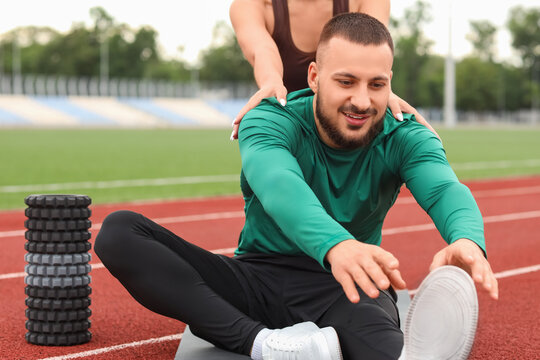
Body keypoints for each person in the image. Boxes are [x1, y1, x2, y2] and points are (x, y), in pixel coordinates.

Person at [95, 13, 498, 360]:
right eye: (346, 81)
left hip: (346, 287)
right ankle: (263, 345)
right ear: (315, 76)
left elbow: (444, 188)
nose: (361, 100)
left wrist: (466, 237)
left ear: (390, 84)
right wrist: (336, 245)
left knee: (386, 348)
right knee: (119, 233)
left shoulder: (405, 135)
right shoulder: (270, 120)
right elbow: (278, 184)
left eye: (376, 85)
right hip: (256, 278)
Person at [229, 0, 437, 140]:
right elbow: (262, 50)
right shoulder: (251, 5)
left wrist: (381, 91)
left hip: (348, 129)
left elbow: (374, 54)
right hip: (291, 131)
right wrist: (271, 81)